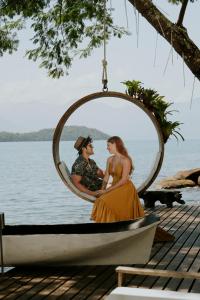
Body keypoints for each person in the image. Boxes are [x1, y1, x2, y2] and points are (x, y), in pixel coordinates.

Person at [91, 136, 145, 222]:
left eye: (108, 145)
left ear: (115, 144)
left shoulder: (126, 160)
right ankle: (108, 225)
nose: (107, 148)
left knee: (103, 201)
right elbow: (106, 176)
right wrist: (102, 190)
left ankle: (112, 224)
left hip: (125, 188)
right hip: (115, 187)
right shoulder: (109, 159)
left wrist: (106, 191)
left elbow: (123, 180)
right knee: (100, 200)